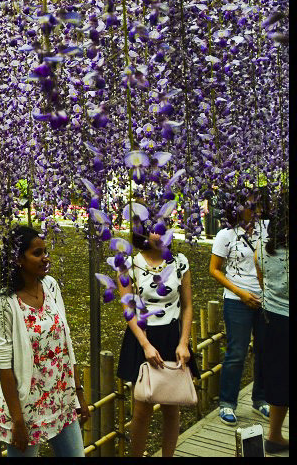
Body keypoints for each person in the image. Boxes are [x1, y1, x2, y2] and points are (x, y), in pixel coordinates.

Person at [0, 226, 89, 457]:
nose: (46, 258)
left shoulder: (51, 286)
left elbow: (66, 343)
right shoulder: (4, 303)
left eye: (45, 251)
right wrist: (18, 420)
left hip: (61, 399)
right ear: (18, 259)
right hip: (26, 408)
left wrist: (78, 393)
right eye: (37, 253)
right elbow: (3, 366)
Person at [115, 223, 199, 457]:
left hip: (173, 336)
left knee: (172, 408)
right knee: (142, 410)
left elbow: (188, 305)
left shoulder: (179, 261)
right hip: (143, 337)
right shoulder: (129, 265)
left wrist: (183, 343)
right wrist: (145, 345)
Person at [209, 188, 268, 424]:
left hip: (266, 300)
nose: (257, 211)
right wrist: (240, 293)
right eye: (252, 206)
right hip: (237, 301)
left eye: (259, 206)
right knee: (236, 352)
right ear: (239, 208)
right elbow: (214, 269)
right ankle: (227, 403)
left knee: (265, 351)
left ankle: (260, 399)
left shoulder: (267, 229)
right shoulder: (226, 235)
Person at [254, 185, 288, 454]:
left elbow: (262, 281)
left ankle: (274, 435)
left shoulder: (263, 249)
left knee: (279, 377)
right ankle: (275, 436)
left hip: (270, 319)